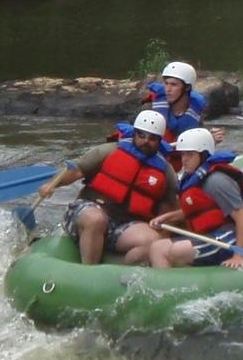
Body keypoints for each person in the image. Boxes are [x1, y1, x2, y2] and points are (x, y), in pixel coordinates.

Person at [32, 108, 177, 265]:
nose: (145, 141)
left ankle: (114, 275)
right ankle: (88, 270)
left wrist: (163, 236)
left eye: (152, 138)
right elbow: (75, 171)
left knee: (152, 241)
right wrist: (52, 184)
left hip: (126, 225)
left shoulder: (165, 171)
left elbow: (168, 209)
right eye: (141, 135)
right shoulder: (109, 151)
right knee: (96, 219)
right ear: (135, 133)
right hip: (90, 211)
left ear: (160, 140)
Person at [139, 127, 243, 270]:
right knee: (157, 248)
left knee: (177, 251)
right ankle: (164, 288)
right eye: (183, 155)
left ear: (204, 155)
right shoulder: (193, 177)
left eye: (190, 155)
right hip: (211, 235)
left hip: (232, 236)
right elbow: (199, 209)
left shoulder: (216, 181)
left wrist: (239, 255)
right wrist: (168, 217)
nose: (184, 160)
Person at [126, 59, 209, 141]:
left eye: (173, 85)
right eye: (166, 84)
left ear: (187, 87)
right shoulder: (148, 109)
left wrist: (209, 140)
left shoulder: (196, 115)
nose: (168, 89)